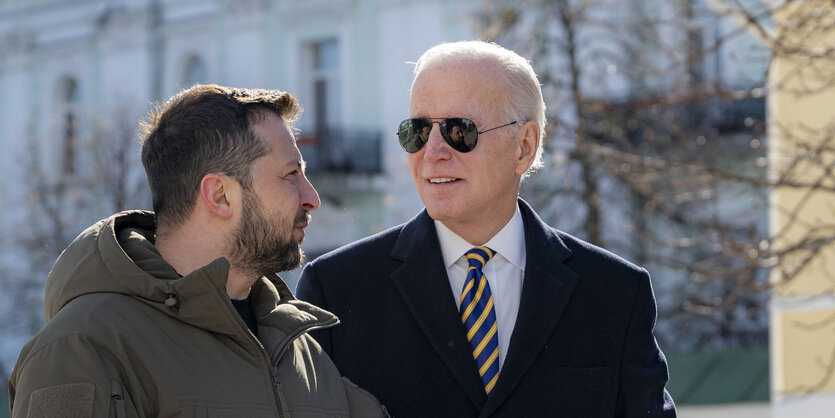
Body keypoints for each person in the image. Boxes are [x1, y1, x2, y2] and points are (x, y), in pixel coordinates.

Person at [296, 41, 676, 417]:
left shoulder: (615, 292)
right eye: (418, 130)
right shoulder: (336, 290)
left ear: (524, 146)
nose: (433, 152)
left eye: (460, 131)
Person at [9, 84, 386, 417]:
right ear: (220, 195)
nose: (311, 198)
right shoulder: (83, 348)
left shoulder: (302, 352)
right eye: (291, 175)